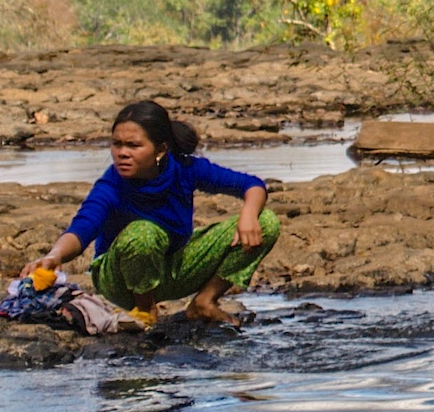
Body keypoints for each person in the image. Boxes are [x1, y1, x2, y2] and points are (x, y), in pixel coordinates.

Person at [28, 100, 280, 324]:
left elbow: (252, 186)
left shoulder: (185, 168)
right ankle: (145, 309)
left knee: (266, 221)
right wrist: (54, 256)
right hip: (120, 280)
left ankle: (204, 302)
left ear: (160, 150)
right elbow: (82, 228)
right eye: (117, 144)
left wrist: (248, 216)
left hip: (172, 268)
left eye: (133, 145)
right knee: (144, 233)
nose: (122, 153)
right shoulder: (111, 186)